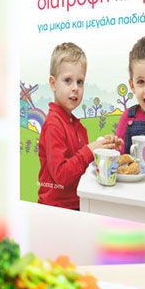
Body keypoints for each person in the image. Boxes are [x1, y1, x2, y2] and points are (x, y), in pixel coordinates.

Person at [38, 42, 119, 210]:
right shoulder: (53, 125)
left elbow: (81, 167)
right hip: (56, 209)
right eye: (68, 80)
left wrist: (105, 148)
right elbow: (61, 176)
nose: (75, 88)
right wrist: (90, 150)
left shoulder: (79, 128)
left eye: (80, 82)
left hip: (78, 203)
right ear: (53, 84)